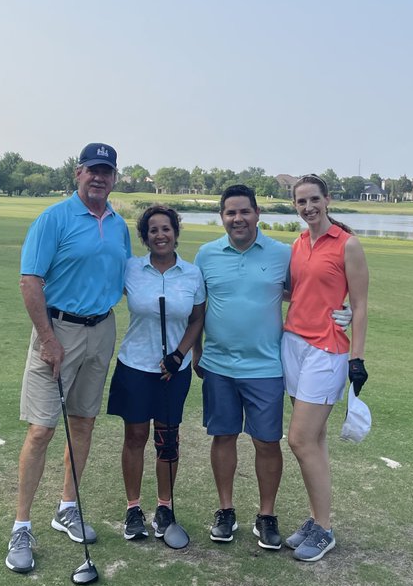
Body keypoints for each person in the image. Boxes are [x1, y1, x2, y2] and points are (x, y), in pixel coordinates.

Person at [5, 142, 132, 575]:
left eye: (107, 172)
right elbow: (29, 281)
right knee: (42, 429)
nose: (99, 178)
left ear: (115, 178)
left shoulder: (118, 224)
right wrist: (47, 339)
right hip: (57, 330)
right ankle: (22, 525)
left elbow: (125, 276)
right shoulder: (54, 219)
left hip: (101, 330)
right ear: (77, 173)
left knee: (83, 422)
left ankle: (67, 507)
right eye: (92, 170)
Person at [194, 184, 292, 550]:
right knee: (223, 436)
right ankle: (225, 510)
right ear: (222, 217)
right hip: (218, 365)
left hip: (266, 366)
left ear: (257, 214)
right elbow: (198, 309)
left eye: (244, 211)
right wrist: (196, 353)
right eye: (230, 212)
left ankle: (266, 516)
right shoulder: (206, 255)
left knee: (267, 442)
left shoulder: (282, 254)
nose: (238, 218)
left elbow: (303, 294)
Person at [281, 174, 369, 562]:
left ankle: (326, 530)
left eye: (314, 200)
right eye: (301, 202)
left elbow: (361, 304)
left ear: (327, 199)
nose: (308, 208)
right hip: (294, 344)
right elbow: (294, 290)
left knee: (299, 439)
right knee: (314, 440)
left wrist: (357, 358)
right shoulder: (297, 244)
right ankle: (318, 521)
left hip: (327, 350)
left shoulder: (347, 244)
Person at [107, 205, 205, 542]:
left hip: (172, 370)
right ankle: (133, 508)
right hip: (135, 365)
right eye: (153, 230)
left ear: (176, 232)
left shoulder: (192, 274)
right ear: (145, 237)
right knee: (135, 437)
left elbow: (197, 318)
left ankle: (165, 507)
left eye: (166, 229)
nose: (160, 235)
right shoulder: (131, 269)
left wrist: (181, 355)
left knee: (167, 441)